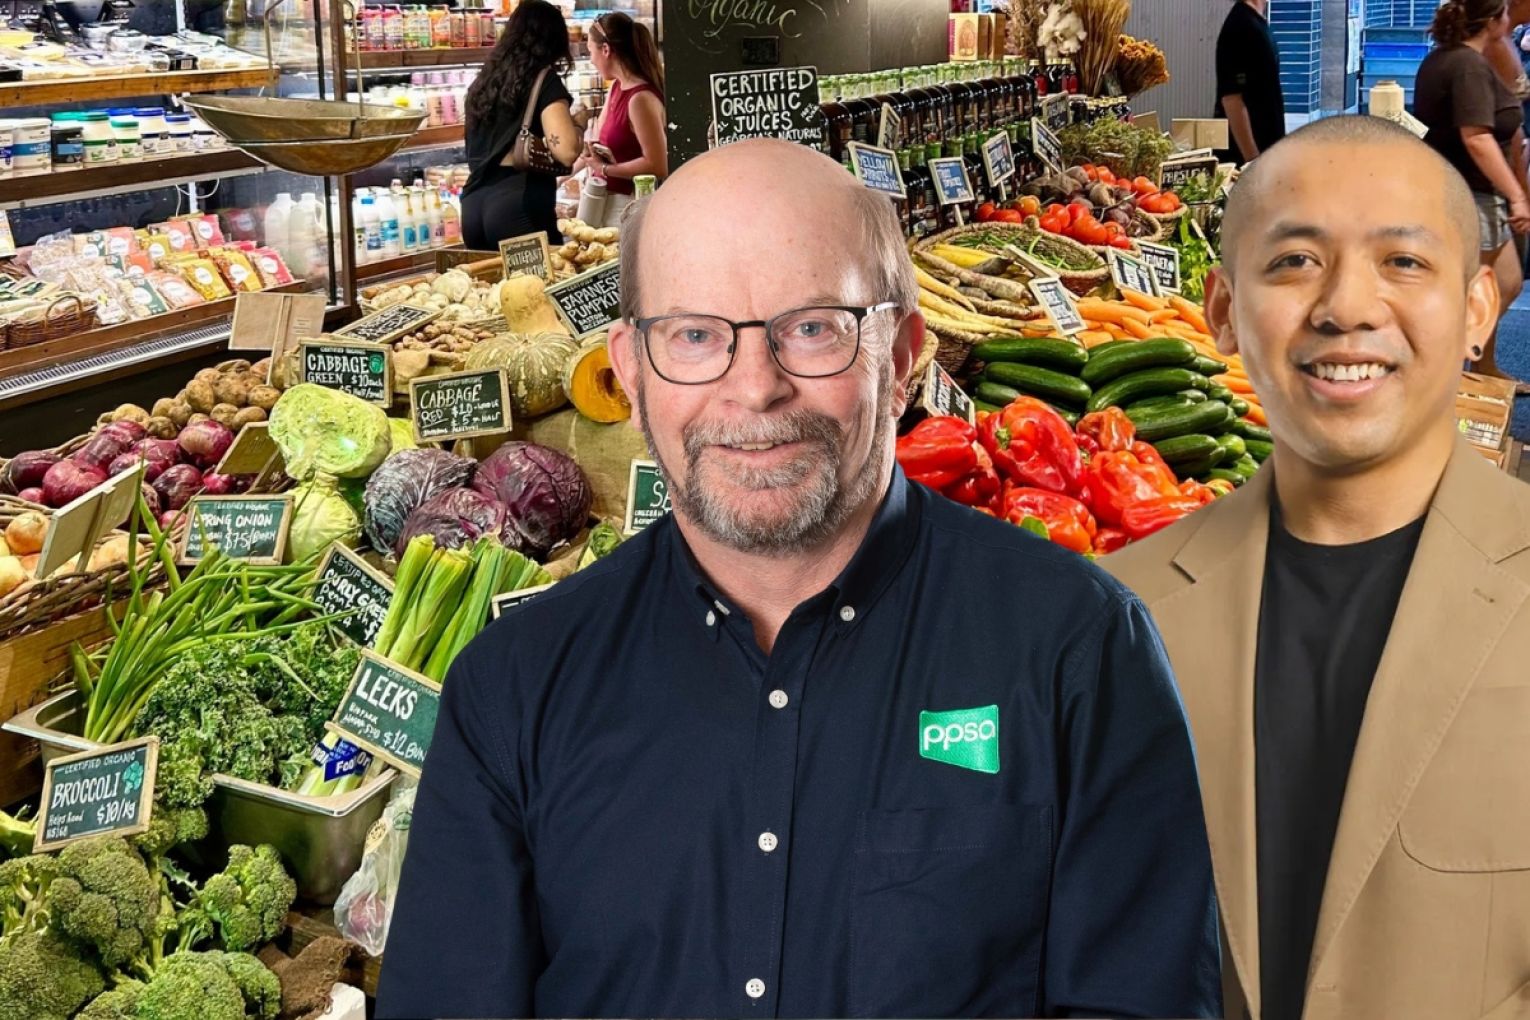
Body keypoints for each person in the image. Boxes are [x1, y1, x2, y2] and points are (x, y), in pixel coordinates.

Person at [375, 138, 1221, 1019]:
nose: (755, 388)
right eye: (694, 335)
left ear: (902, 359)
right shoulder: (513, 688)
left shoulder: (1080, 652)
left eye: (812, 327)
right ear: (629, 375)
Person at [1107, 115, 1530, 1020]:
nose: (1346, 306)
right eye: (1295, 261)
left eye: (1404, 263)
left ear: (1478, 310)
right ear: (1222, 311)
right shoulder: (1119, 614)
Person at [1415, 0, 1529, 383]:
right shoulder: (1467, 65)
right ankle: (1438, 375)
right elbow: (1477, 137)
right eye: (1507, 15)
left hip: (1461, 190)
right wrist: (1516, 193)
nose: (1512, 21)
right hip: (1467, 193)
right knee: (1470, 292)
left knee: (1505, 283)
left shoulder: (1444, 59)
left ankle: (1479, 366)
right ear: (1495, 20)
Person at [460, 0, 582, 250]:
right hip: (517, 207)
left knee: (490, 288)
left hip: (473, 206)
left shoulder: (484, 82)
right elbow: (566, 151)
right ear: (555, 40)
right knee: (539, 288)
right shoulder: (544, 81)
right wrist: (578, 125)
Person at [573, 12, 668, 223]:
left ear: (605, 50)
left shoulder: (640, 99)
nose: (590, 60)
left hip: (627, 206)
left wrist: (605, 169)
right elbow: (598, 142)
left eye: (590, 51)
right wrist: (564, 176)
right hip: (603, 199)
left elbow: (657, 164)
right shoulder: (616, 87)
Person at [1214, 0, 1285, 165]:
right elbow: (1232, 99)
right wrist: (1252, 161)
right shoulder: (1240, 26)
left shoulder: (1257, 21)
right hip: (1245, 159)